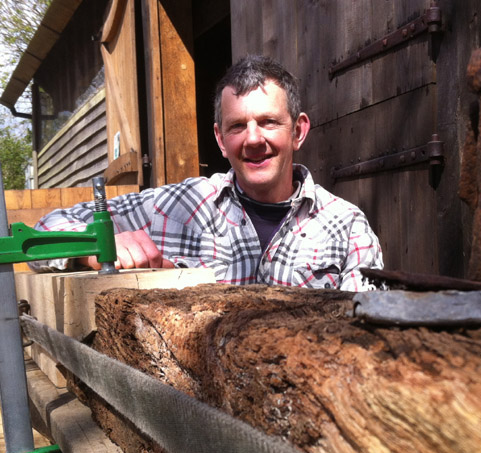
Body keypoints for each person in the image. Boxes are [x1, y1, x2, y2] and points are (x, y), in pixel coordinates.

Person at [30, 55, 383, 291]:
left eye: (269, 122)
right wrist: (96, 244)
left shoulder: (346, 227)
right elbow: (42, 232)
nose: (253, 139)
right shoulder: (178, 206)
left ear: (298, 131)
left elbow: (373, 339)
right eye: (237, 126)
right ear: (220, 139)